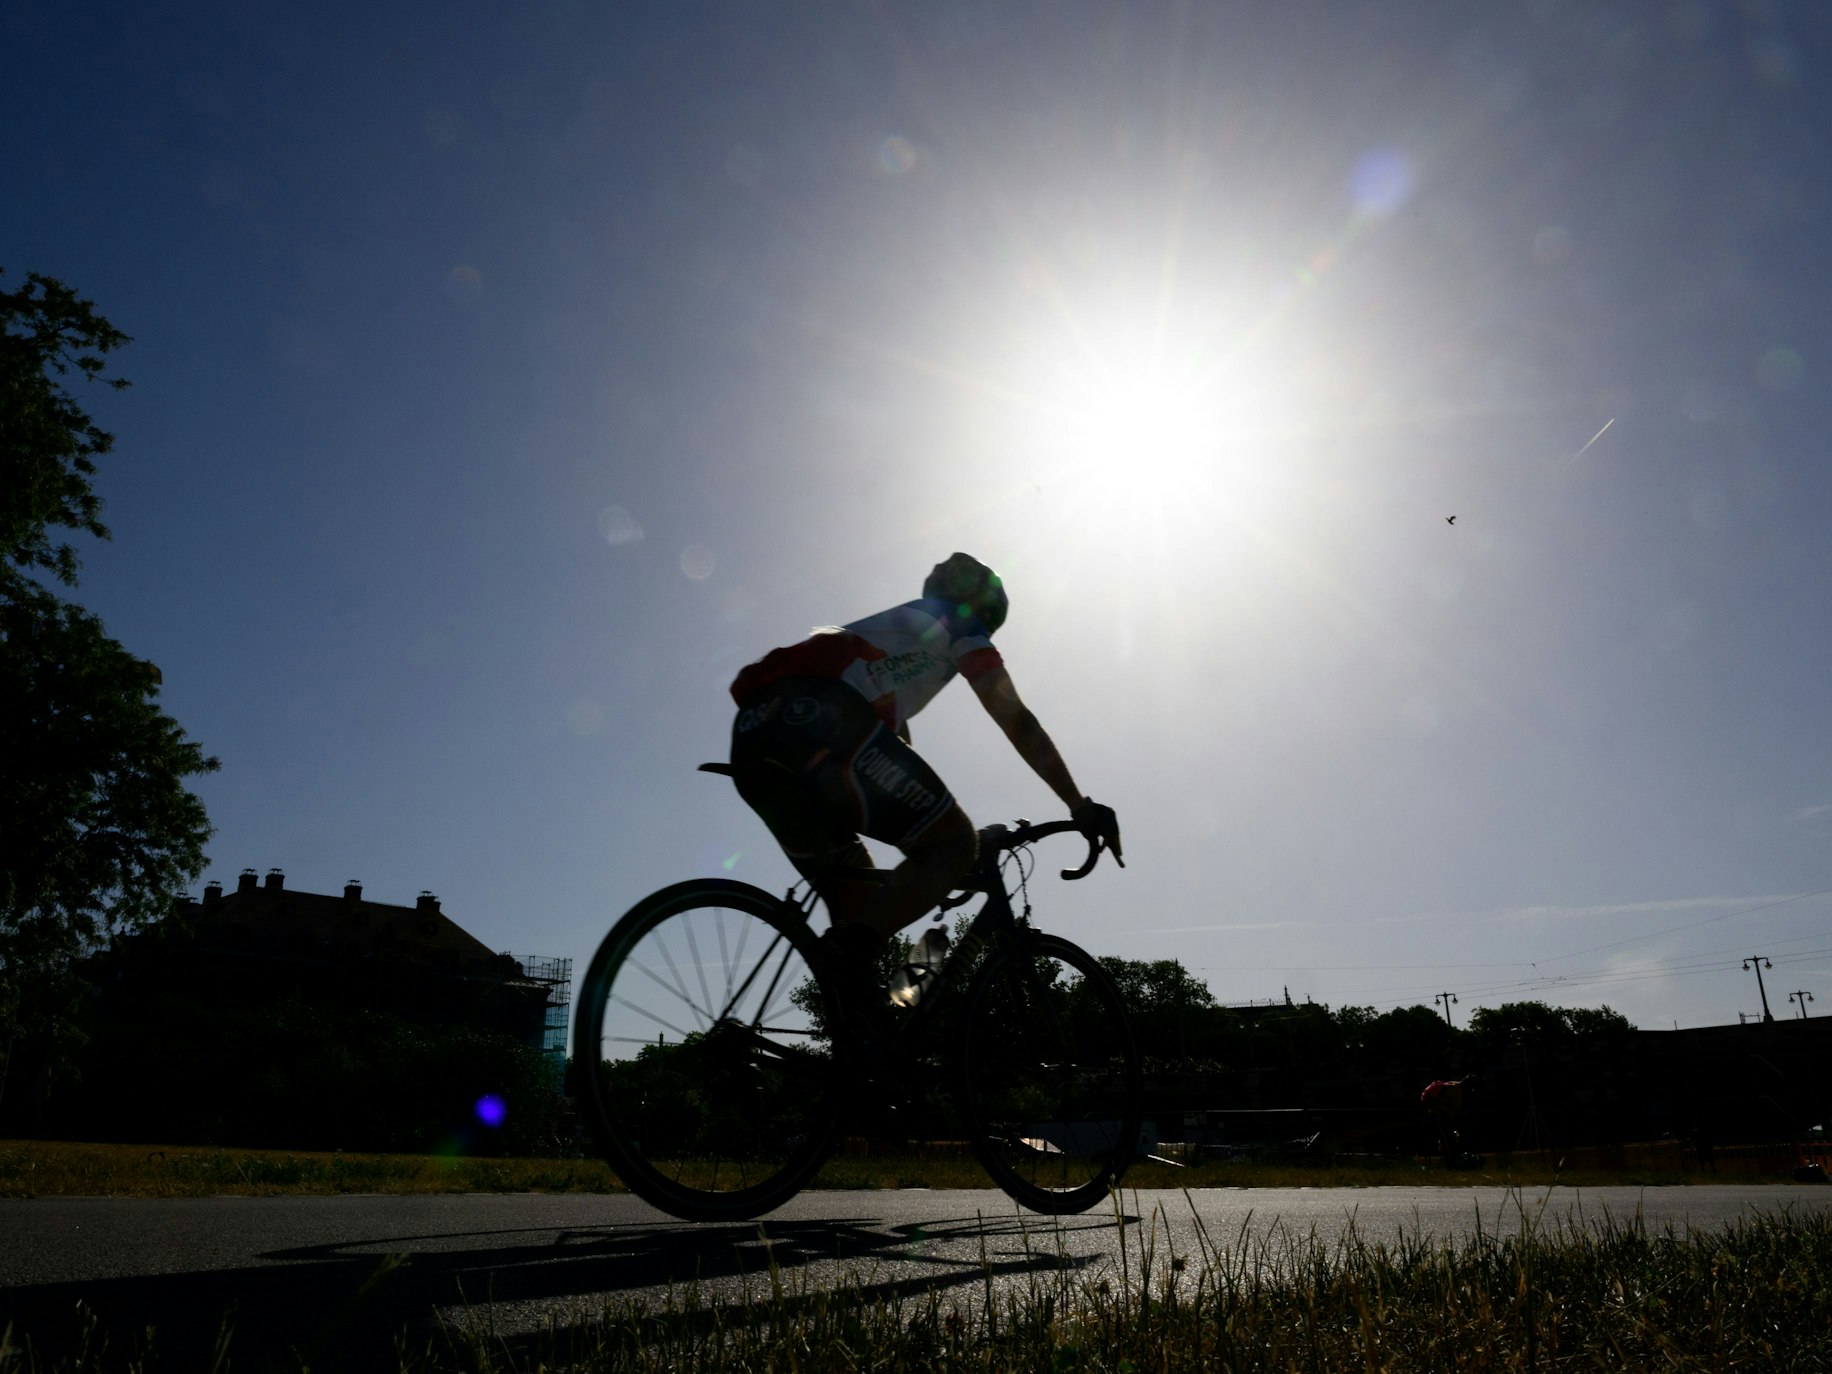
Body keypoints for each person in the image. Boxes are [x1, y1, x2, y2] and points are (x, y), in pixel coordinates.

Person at [727, 552, 1121, 992]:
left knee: (861, 914)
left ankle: (856, 1041)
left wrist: (928, 877)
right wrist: (1077, 804)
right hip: (824, 722)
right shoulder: (959, 623)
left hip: (755, 740)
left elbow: (896, 759)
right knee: (953, 842)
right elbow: (1014, 718)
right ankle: (856, 977)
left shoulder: (890, 647)